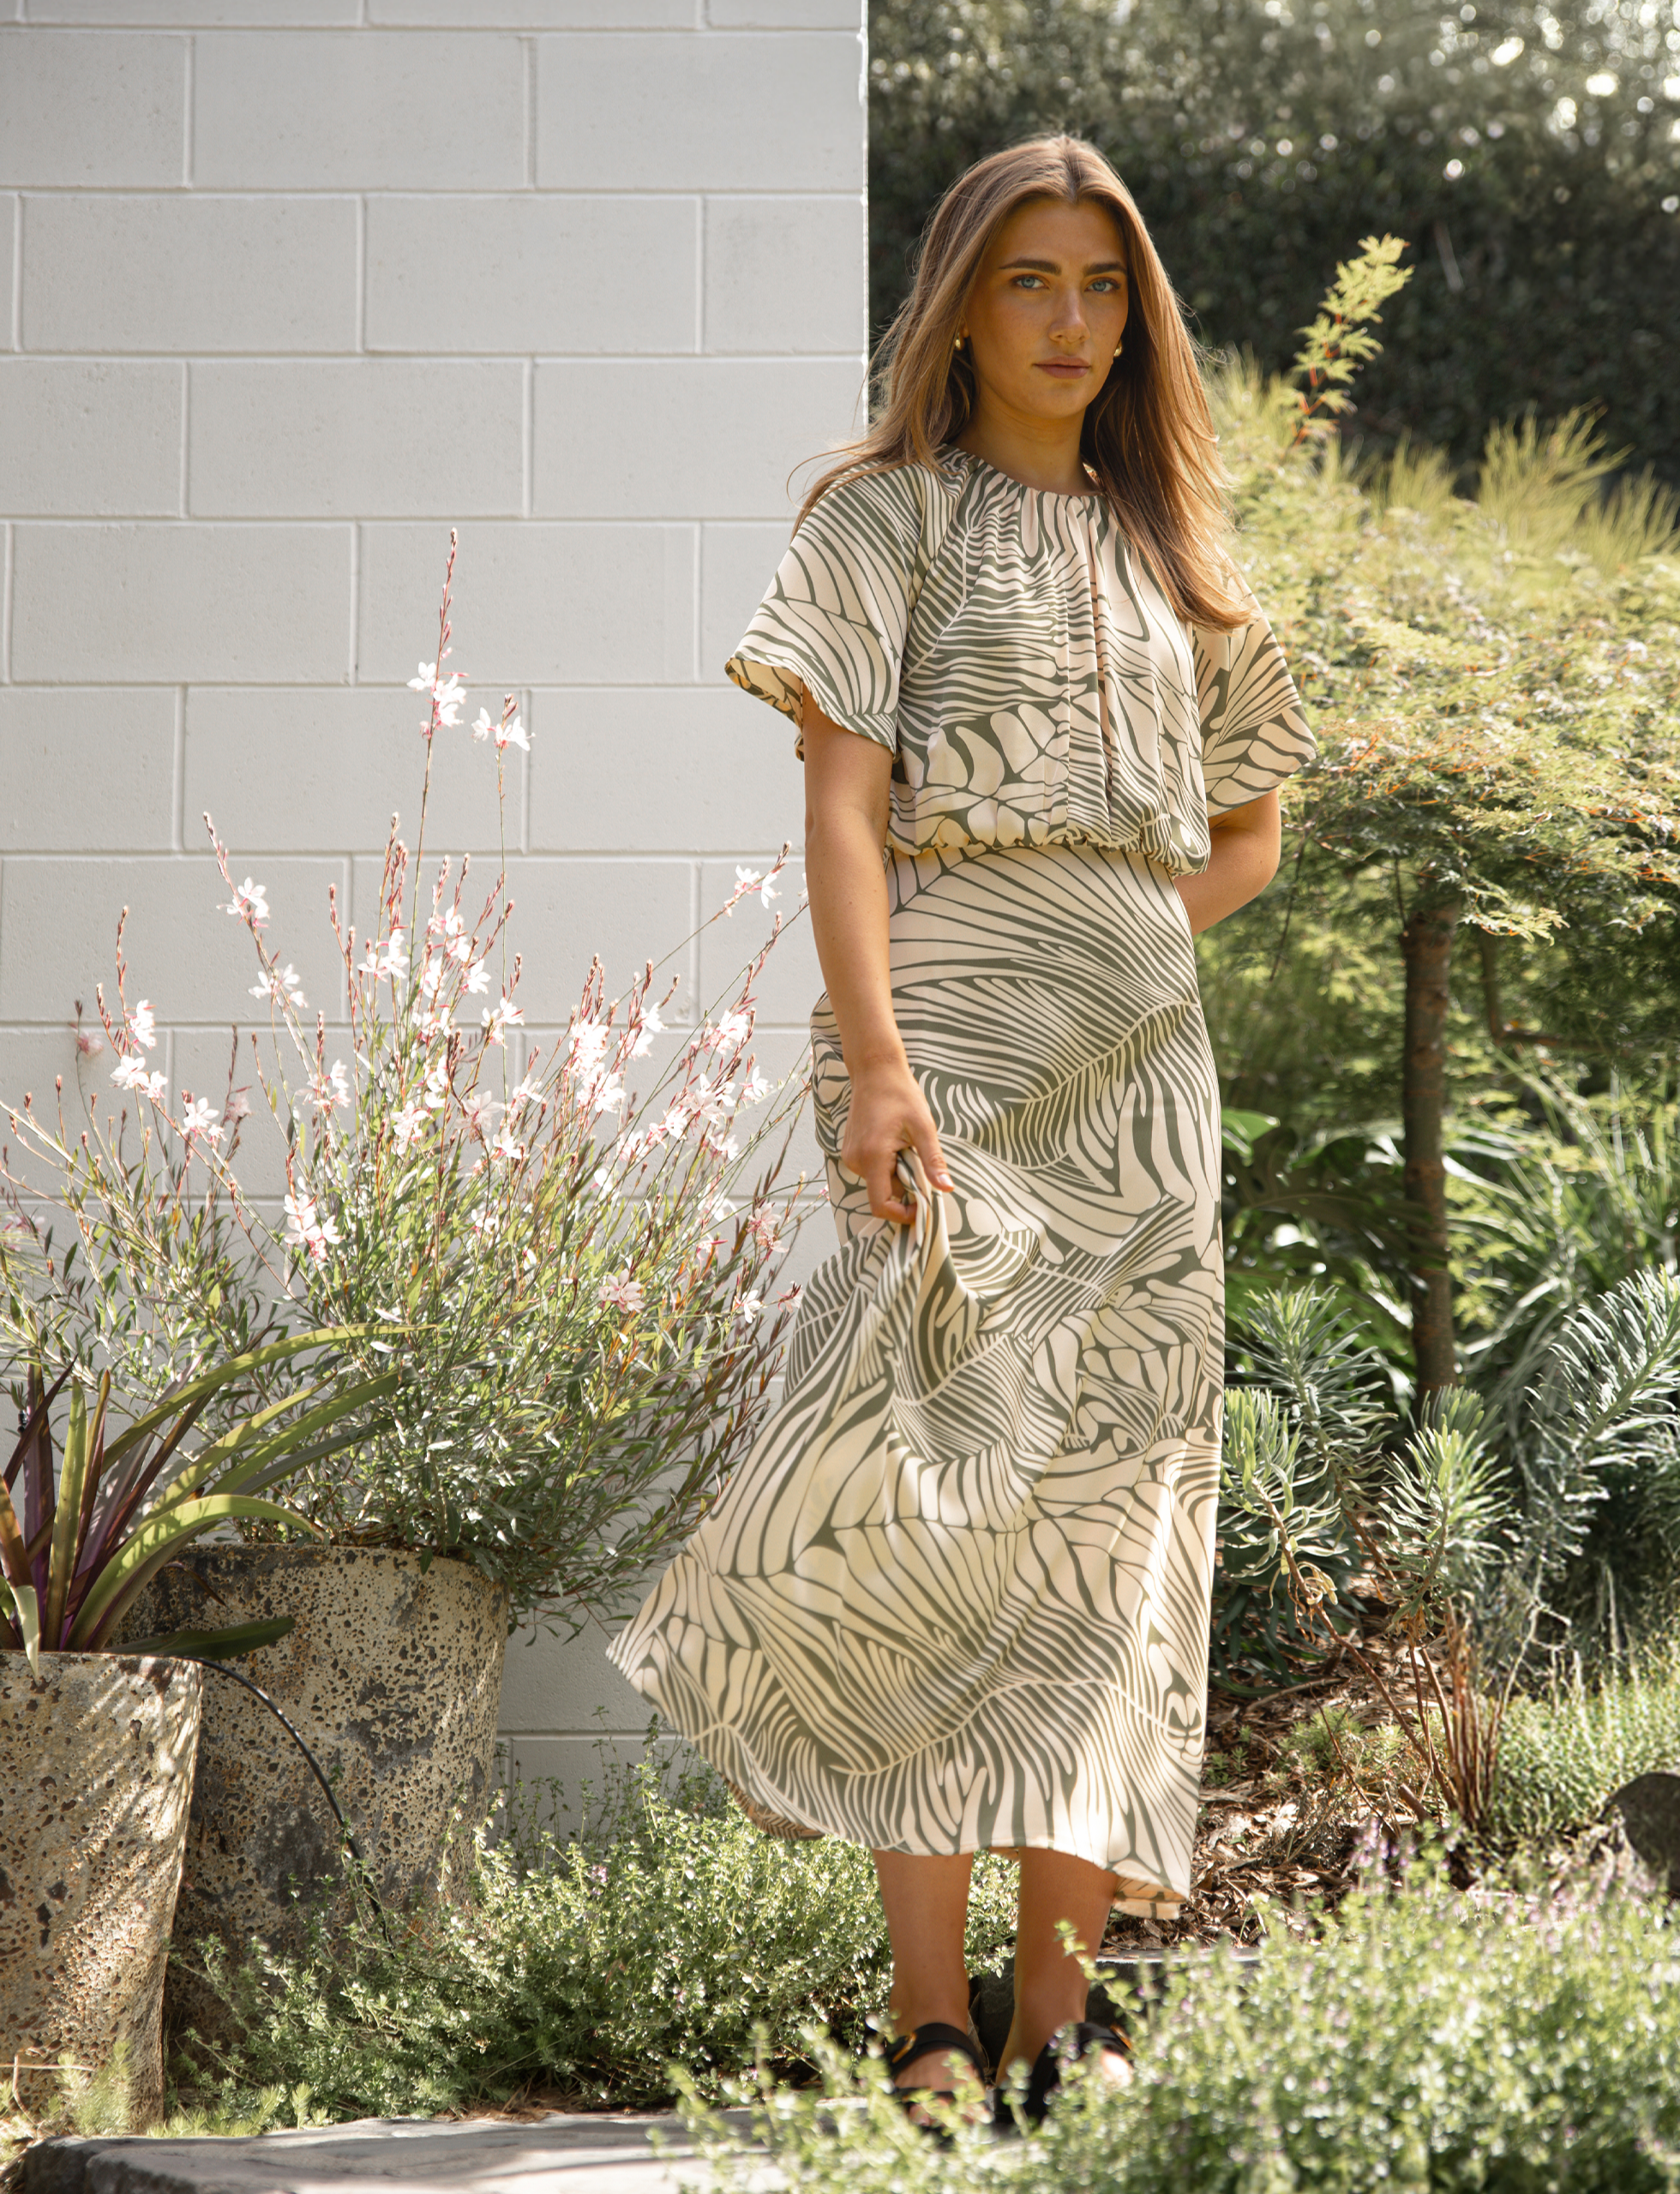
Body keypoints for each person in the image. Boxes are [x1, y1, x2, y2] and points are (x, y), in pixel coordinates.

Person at [610, 133, 1313, 2129]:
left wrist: (1106, 960)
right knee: (925, 1513)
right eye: (1033, 281)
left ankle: (1057, 2018)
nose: (1074, 320)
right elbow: (841, 810)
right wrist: (896, 1051)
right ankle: (927, 2013)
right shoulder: (882, 522)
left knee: (1108, 1531)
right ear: (962, 301)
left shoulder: (1185, 556)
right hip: (941, 1060)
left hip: (1145, 1096)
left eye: (1105, 285)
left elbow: (1248, 838)